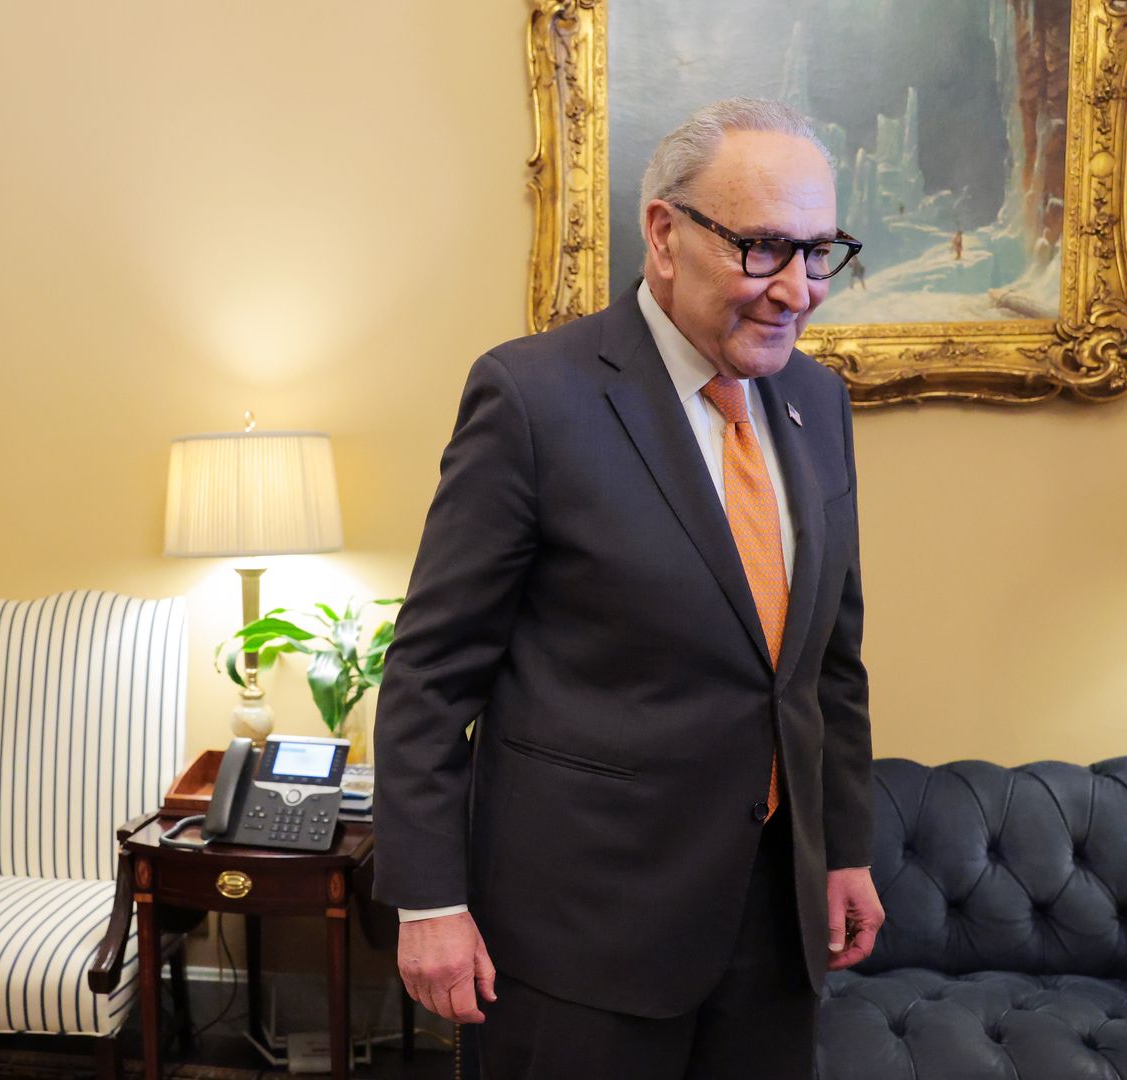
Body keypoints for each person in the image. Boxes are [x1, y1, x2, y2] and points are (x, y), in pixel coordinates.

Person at [373, 97, 885, 1079]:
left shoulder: (817, 401)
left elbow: (827, 665)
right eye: (766, 248)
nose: (798, 291)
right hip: (578, 938)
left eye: (821, 253)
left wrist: (844, 848)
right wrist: (429, 903)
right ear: (664, 234)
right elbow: (432, 678)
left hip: (773, 927)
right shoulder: (533, 399)